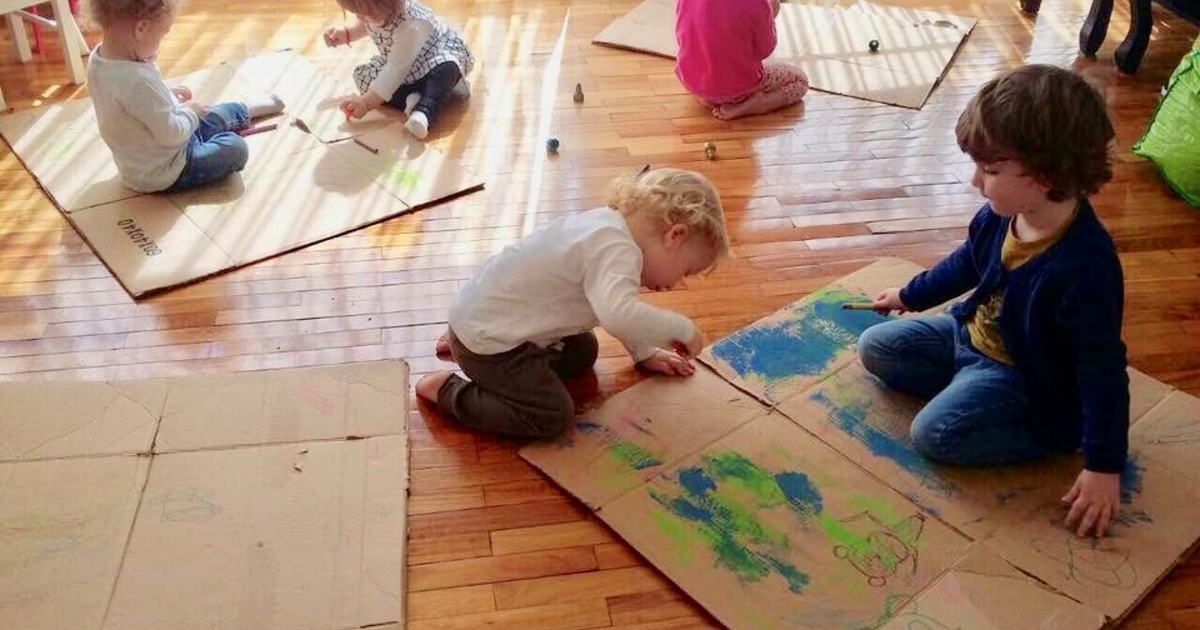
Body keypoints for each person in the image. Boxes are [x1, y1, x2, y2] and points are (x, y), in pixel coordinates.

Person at [857, 65, 1128, 538]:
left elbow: (1102, 371)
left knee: (933, 435)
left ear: (1046, 174)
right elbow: (966, 263)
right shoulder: (1001, 215)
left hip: (1021, 374)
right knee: (875, 346)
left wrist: (1104, 465)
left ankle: (1050, 430)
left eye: (991, 170)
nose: (975, 182)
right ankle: (967, 393)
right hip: (967, 334)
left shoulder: (1086, 268)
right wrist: (909, 295)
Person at [415, 167, 730, 438]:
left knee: (584, 351)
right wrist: (682, 329)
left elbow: (620, 310)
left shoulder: (610, 226)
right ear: (674, 235)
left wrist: (644, 351)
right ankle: (449, 391)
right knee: (551, 415)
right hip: (490, 341)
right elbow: (619, 314)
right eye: (686, 271)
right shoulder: (617, 251)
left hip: (483, 316)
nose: (677, 284)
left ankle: (464, 345)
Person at [85, 0, 284, 193]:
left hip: (146, 157)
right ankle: (224, 131)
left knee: (210, 114)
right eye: (162, 35)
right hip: (167, 170)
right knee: (236, 148)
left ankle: (247, 110)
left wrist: (167, 95)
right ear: (141, 29)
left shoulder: (99, 60)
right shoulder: (137, 82)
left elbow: (135, 106)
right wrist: (191, 112)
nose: (161, 43)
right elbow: (171, 134)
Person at [323, 0, 473, 139]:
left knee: (447, 69)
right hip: (401, 67)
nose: (359, 17)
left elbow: (394, 71)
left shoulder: (411, 24)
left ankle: (424, 111)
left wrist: (366, 103)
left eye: (364, 14)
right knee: (362, 77)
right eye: (356, 13)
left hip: (432, 60)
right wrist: (347, 33)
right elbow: (368, 25)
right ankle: (415, 97)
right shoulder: (379, 12)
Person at [674, 0, 808, 120]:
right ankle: (760, 104)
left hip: (692, 82)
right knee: (800, 81)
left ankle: (707, 99)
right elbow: (765, 49)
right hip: (738, 90)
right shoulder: (757, 4)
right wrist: (770, 15)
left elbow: (681, 37)